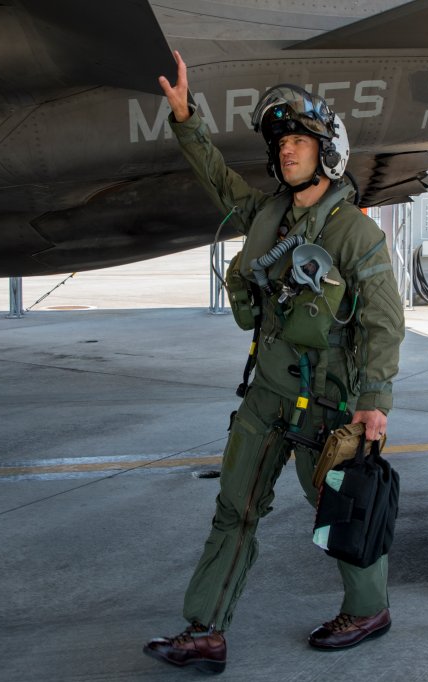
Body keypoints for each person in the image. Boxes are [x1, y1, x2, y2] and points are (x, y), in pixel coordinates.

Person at [143, 51, 405, 674]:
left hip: (331, 404)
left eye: (298, 141)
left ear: (324, 151)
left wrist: (374, 402)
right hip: (266, 394)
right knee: (235, 507)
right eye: (280, 142)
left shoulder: (354, 235)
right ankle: (206, 630)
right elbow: (217, 180)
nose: (286, 152)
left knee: (343, 509)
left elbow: (383, 322)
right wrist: (185, 119)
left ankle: (369, 608)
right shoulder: (266, 217)